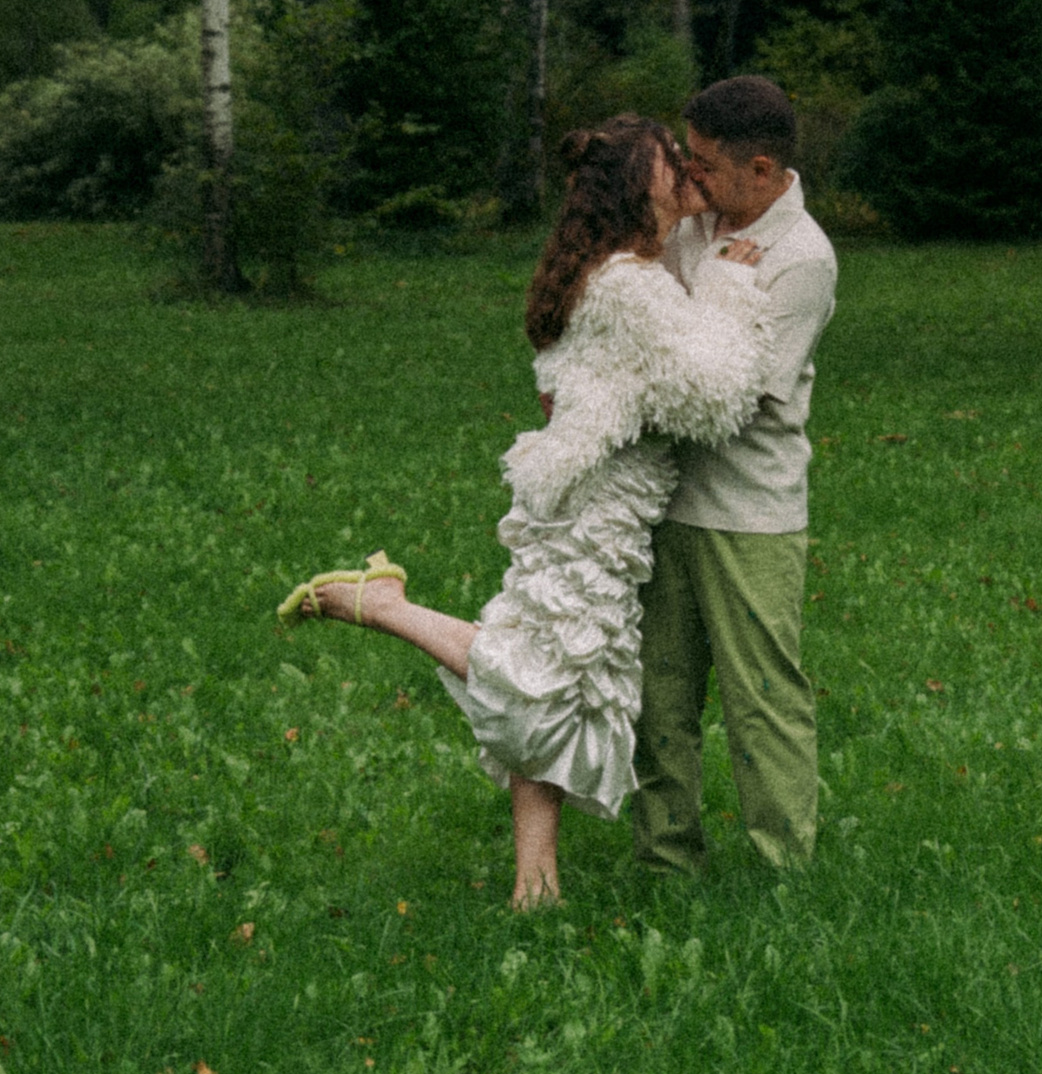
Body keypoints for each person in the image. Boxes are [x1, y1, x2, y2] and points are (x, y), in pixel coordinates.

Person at [274, 115, 773, 909]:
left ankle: (535, 888)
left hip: (574, 497)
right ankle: (383, 607)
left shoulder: (610, 271)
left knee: (560, 684)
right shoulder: (628, 287)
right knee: (547, 682)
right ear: (634, 189)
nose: (684, 168)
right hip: (599, 513)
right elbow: (715, 399)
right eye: (666, 161)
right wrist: (735, 285)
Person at [634, 74, 840, 875]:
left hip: (750, 514)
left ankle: (781, 869)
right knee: (660, 698)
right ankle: (665, 859)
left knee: (763, 702)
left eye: (706, 162)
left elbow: (733, 399)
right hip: (662, 504)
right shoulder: (696, 221)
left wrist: (653, 375)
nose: (689, 176)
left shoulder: (802, 258)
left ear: (762, 168)